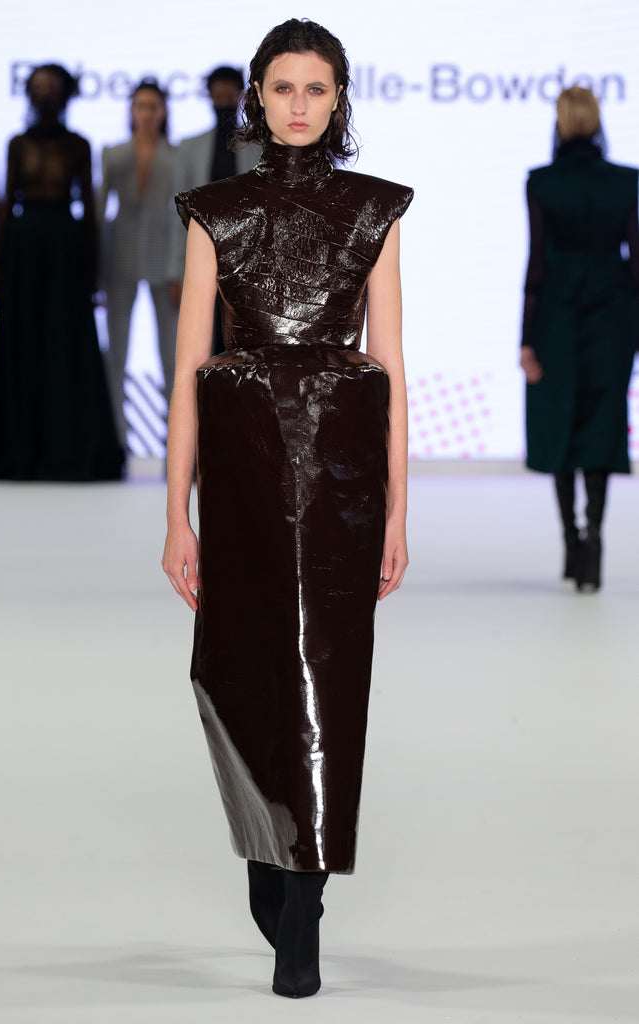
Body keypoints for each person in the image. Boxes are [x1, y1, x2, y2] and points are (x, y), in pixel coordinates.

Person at [162, 18, 413, 998]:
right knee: (239, 665)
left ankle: (300, 899)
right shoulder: (213, 211)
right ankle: (271, 858)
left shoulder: (373, 209)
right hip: (241, 466)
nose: (299, 105)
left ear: (337, 97)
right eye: (282, 88)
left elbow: (390, 368)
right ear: (256, 96)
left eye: (315, 88)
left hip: (341, 470)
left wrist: (397, 511)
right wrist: (175, 515)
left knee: (327, 676)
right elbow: (188, 369)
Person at [0, 64, 123, 481]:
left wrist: (92, 271)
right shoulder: (16, 143)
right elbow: (5, 203)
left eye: (51, 86)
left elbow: (89, 208)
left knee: (66, 342)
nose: (44, 93)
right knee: (18, 340)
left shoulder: (78, 144)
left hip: (64, 248)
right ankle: (16, 449)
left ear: (65, 93)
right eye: (38, 86)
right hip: (23, 245)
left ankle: (69, 448)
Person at [520, 86, 639, 592]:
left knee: (559, 421)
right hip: (614, 316)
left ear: (560, 122)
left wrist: (526, 338)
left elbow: (538, 262)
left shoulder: (542, 182)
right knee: (601, 423)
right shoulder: (626, 181)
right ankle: (593, 541)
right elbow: (636, 258)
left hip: (557, 316)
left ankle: (572, 539)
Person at [98, 79, 176, 451]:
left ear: (163, 111)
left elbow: (182, 216)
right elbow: (100, 209)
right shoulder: (114, 153)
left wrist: (179, 269)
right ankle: (114, 437)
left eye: (152, 106)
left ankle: (175, 439)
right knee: (116, 351)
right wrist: (96, 269)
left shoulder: (175, 155)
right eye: (140, 106)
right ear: (131, 111)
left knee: (171, 352)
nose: (145, 113)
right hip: (121, 253)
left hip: (163, 253)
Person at [167, 65, 261, 355]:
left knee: (244, 338)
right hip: (203, 252)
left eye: (228, 96)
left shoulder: (260, 146)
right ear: (209, 97)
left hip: (247, 257)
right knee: (201, 338)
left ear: (241, 97)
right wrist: (175, 272)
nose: (223, 103)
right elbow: (178, 213)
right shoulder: (189, 147)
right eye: (217, 96)